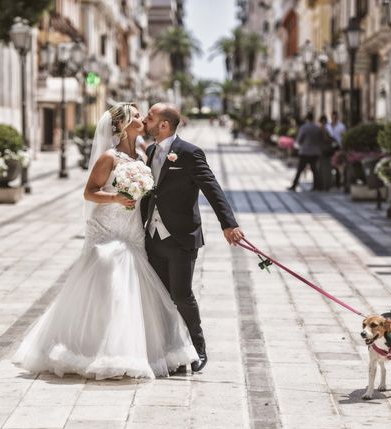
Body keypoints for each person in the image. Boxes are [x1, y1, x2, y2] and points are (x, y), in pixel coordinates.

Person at [13, 103, 198, 380]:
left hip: (133, 228)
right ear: (123, 125)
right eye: (137, 116)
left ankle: (141, 349)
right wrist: (115, 197)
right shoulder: (108, 158)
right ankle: (101, 351)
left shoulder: (142, 153)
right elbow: (90, 192)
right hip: (109, 227)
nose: (142, 118)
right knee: (112, 283)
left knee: (136, 287)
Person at [141, 103, 245, 374]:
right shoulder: (150, 151)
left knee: (182, 295)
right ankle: (171, 350)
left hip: (181, 237)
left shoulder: (189, 153)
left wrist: (228, 224)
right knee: (161, 297)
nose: (144, 120)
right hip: (153, 237)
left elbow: (211, 187)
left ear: (163, 124)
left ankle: (198, 348)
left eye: (150, 117)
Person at [288, 112, 324, 192]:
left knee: (300, 169)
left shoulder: (304, 127)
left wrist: (297, 146)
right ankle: (317, 186)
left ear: (307, 118)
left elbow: (300, 139)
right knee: (314, 169)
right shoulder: (317, 128)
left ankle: (294, 185)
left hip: (305, 151)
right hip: (315, 151)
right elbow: (321, 139)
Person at [326, 111, 346, 188]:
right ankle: (330, 182)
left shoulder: (342, 126)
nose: (334, 118)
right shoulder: (327, 126)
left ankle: (338, 183)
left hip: (338, 147)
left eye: (336, 117)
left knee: (338, 165)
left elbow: (344, 136)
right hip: (329, 147)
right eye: (333, 116)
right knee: (330, 165)